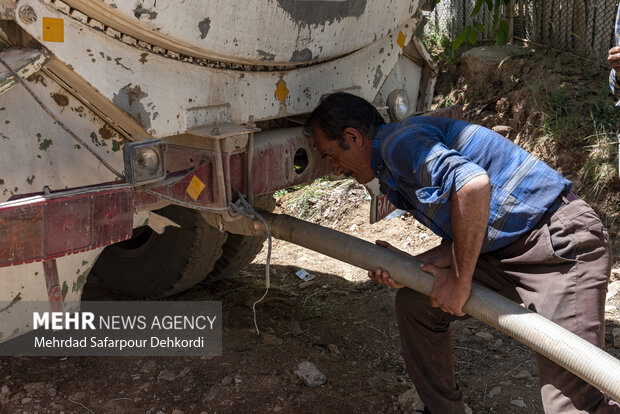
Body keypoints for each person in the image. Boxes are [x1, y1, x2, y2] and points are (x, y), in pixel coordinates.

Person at [305, 92, 619, 413]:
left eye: (330, 155)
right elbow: (469, 222)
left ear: (352, 137)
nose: (333, 169)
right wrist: (418, 266)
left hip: (555, 243)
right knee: (416, 303)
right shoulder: (389, 173)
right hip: (505, 248)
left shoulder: (398, 143)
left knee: (573, 403)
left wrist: (459, 278)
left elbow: (471, 185)